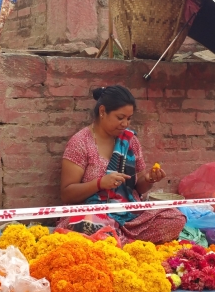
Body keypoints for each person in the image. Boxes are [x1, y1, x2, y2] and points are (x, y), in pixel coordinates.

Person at [59, 85, 186, 244]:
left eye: (129, 118)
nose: (125, 123)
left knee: (175, 217)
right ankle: (121, 242)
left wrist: (148, 179)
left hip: (129, 216)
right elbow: (67, 193)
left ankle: (118, 241)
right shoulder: (80, 143)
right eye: (120, 118)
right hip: (93, 214)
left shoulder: (130, 141)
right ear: (103, 111)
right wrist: (100, 183)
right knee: (84, 227)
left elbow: (138, 188)